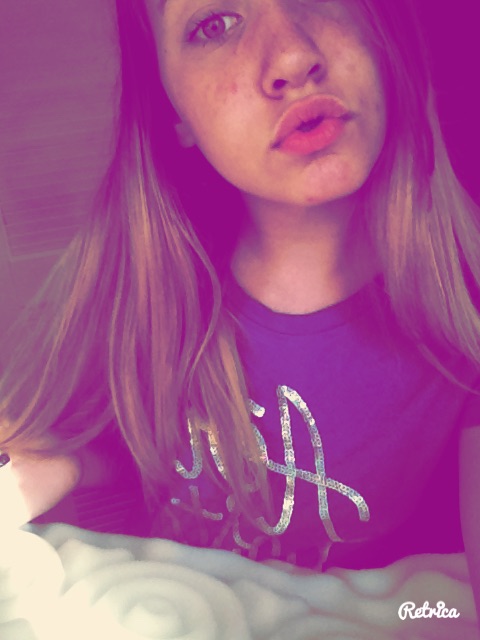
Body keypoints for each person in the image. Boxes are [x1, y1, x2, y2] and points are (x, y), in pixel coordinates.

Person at [1, 0, 480, 617]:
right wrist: (55, 462)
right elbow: (110, 439)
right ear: (173, 111)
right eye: (214, 25)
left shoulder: (465, 318)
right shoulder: (150, 290)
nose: (292, 57)